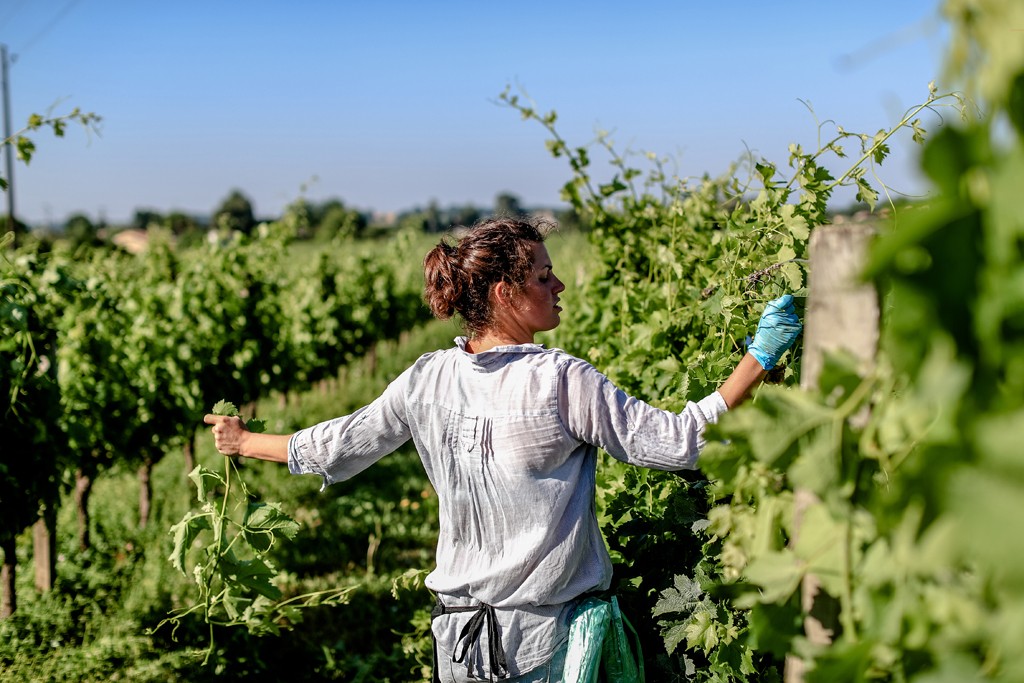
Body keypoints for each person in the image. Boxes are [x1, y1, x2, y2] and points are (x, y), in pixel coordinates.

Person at [204, 215, 802, 682]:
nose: (559, 285)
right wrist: (758, 358)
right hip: (550, 648)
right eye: (544, 276)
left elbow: (338, 446)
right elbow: (676, 443)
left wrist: (245, 441)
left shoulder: (427, 378)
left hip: (459, 643)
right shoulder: (560, 380)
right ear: (504, 293)